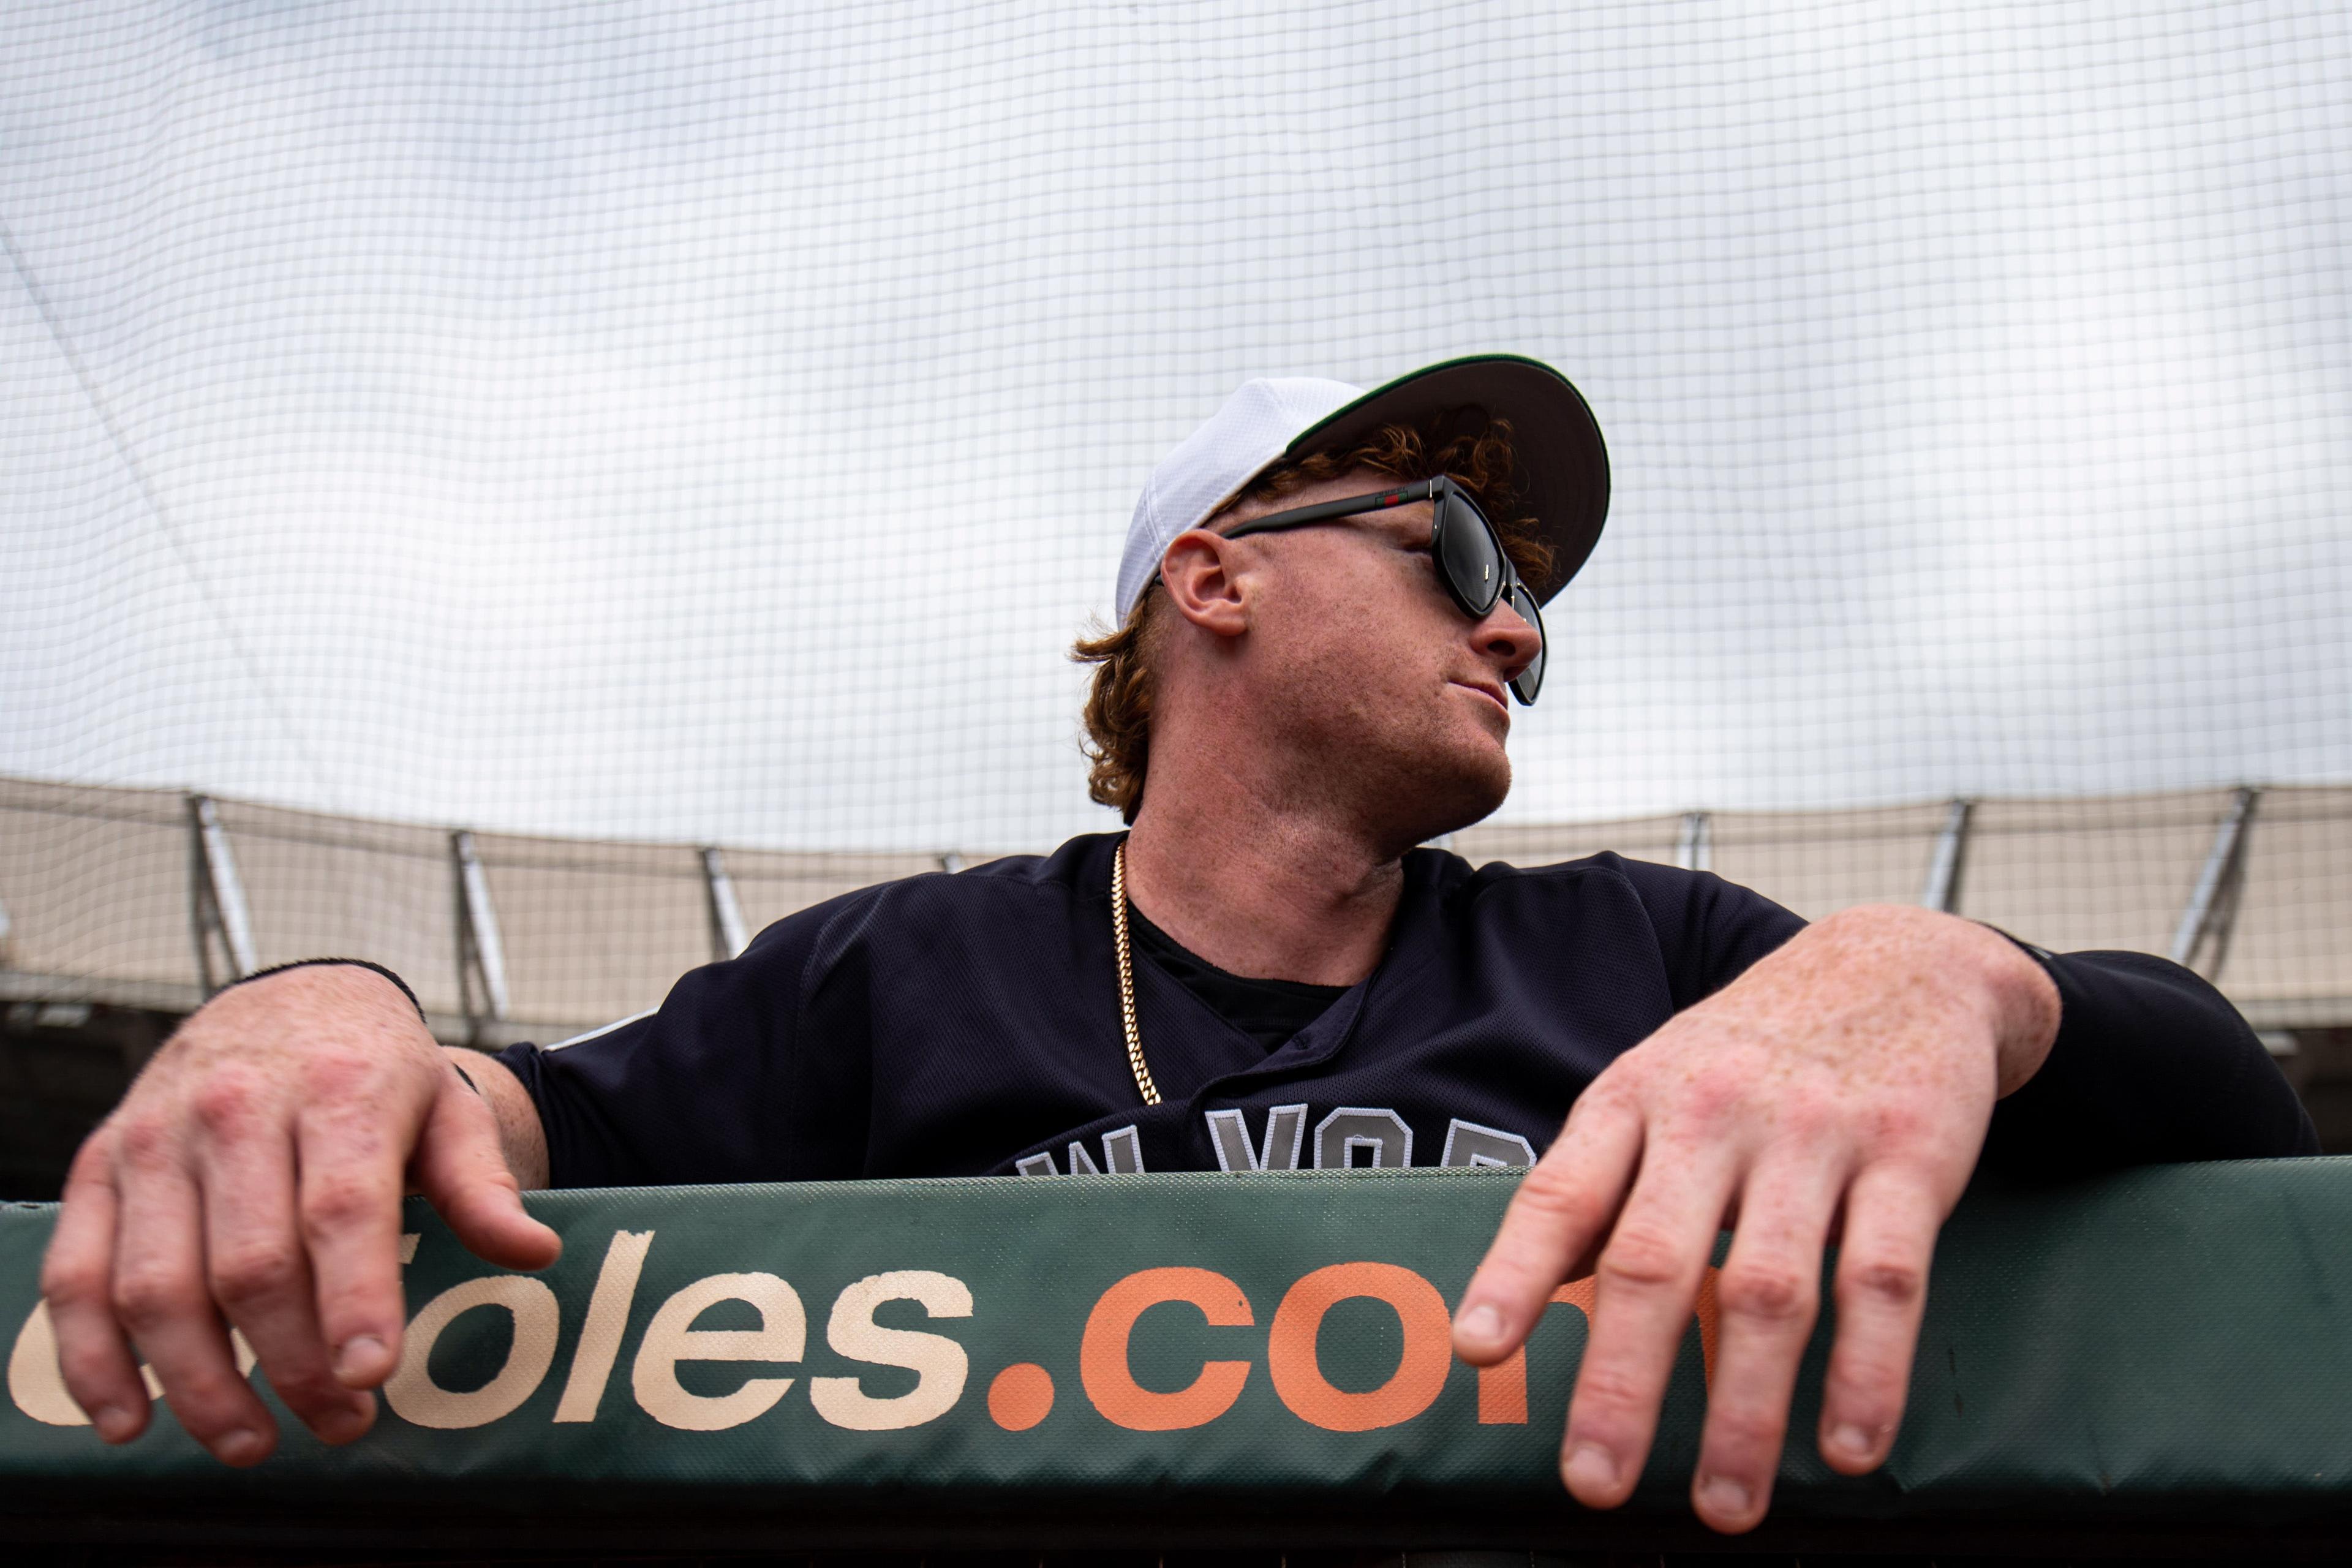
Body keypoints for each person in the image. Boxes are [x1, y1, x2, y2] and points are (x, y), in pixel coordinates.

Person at [40, 356, 2316, 1535]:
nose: (1517, 622)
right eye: (1447, 541)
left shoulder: (1650, 954)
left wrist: (1952, 973)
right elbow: (488, 1131)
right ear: (1209, 581)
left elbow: (2232, 1133)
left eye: (1530, 594)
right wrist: (309, 1002)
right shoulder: (897, 980)